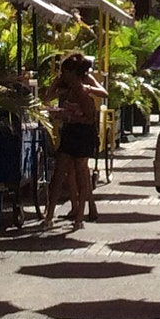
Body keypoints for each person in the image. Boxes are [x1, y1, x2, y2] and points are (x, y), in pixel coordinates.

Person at [46, 54, 105, 229]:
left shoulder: (83, 87)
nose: (62, 75)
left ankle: (80, 215)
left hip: (82, 132)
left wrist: (86, 90)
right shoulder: (63, 84)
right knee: (61, 173)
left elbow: (89, 117)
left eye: (65, 72)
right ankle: (52, 214)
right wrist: (57, 86)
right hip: (70, 131)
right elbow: (47, 98)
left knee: (80, 171)